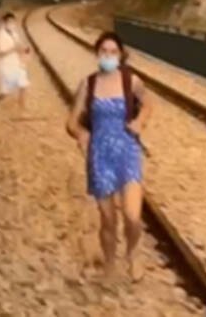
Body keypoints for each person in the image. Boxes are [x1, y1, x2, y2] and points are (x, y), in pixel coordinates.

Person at [66, 32, 153, 282]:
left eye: (113, 52)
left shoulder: (131, 81)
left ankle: (133, 253)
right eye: (104, 51)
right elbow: (71, 121)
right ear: (97, 54)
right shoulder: (88, 84)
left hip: (127, 150)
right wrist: (81, 134)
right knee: (108, 218)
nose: (108, 56)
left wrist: (139, 122)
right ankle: (110, 266)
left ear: (120, 54)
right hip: (99, 155)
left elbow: (148, 104)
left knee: (132, 215)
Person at [0, 12, 31, 110]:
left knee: (24, 85)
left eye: (13, 22)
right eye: (9, 22)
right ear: (4, 23)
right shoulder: (1, 35)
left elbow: (19, 46)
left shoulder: (15, 34)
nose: (12, 24)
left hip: (17, 64)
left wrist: (25, 50)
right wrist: (13, 49)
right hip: (6, 66)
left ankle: (22, 107)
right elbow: (1, 53)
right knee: (5, 92)